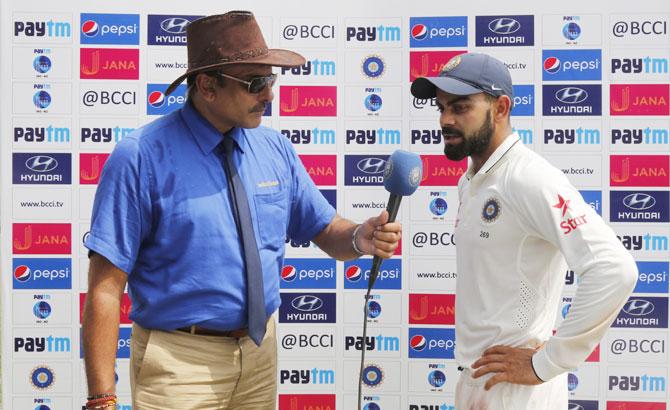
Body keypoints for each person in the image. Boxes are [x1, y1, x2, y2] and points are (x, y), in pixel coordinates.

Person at [81, 11, 401, 410]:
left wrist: (359, 237)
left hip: (259, 355)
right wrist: (101, 399)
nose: (269, 94)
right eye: (255, 82)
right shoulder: (140, 157)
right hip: (180, 365)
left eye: (270, 80)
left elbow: (325, 228)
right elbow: (105, 288)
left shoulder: (275, 149)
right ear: (207, 87)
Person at [411, 53, 637, 409]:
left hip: (518, 392)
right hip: (478, 380)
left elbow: (615, 269)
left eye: (460, 107)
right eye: (441, 108)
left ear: (500, 108)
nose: (445, 120)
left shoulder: (529, 178)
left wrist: (546, 363)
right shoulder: (472, 182)